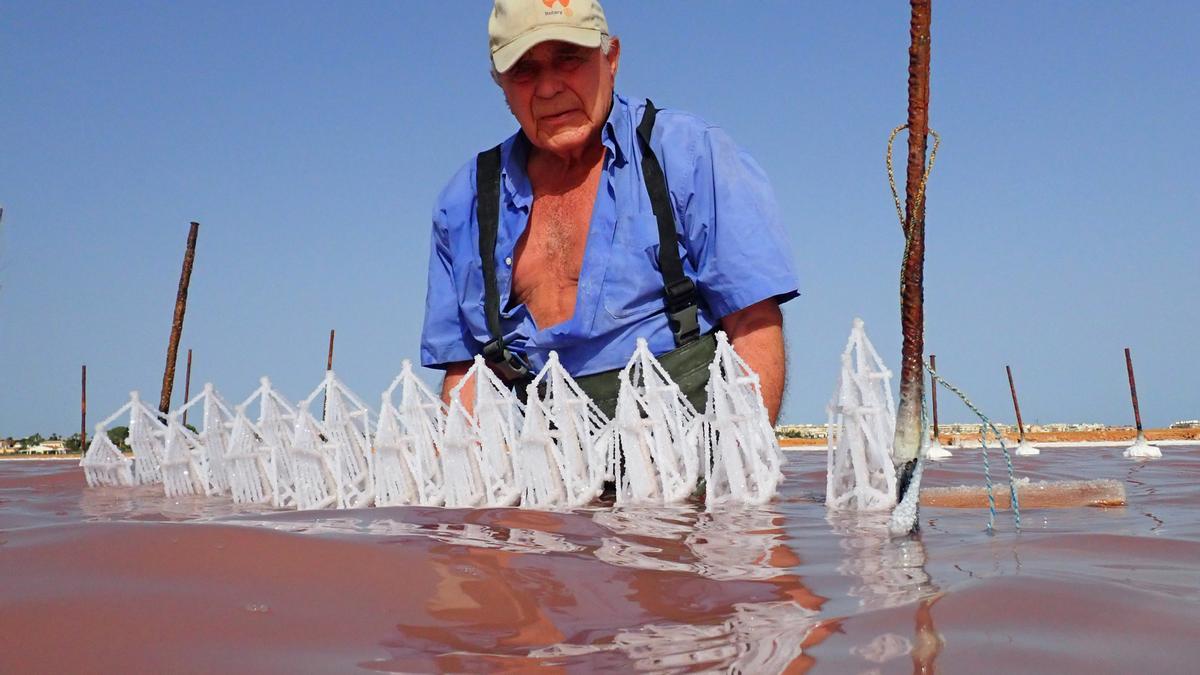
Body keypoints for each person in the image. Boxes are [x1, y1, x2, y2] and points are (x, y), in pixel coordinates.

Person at [421, 0, 798, 424]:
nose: (548, 88)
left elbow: (753, 322)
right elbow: (468, 373)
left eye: (569, 59)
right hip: (551, 471)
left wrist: (740, 473)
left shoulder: (689, 153)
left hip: (697, 464)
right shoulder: (465, 202)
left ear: (611, 57)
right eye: (524, 70)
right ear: (500, 83)